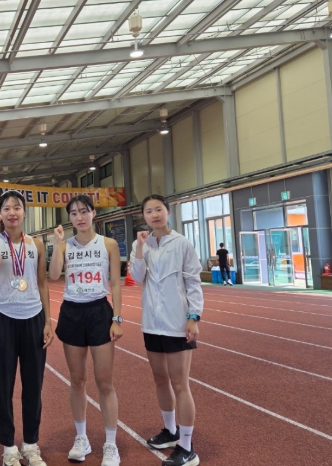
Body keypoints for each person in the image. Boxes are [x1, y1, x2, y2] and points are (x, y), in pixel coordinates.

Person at [48, 195, 123, 466]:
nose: (79, 217)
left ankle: (111, 444)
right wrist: (57, 244)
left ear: (93, 213)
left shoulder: (108, 244)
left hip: (99, 311)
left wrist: (117, 318)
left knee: (105, 382)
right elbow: (53, 275)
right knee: (77, 380)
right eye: (74, 213)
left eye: (84, 211)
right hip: (72, 312)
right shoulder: (65, 245)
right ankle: (81, 438)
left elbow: (116, 283)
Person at [129, 194, 203, 466]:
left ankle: (187, 447)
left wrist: (193, 317)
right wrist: (139, 247)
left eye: (158, 209)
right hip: (152, 323)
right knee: (160, 379)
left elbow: (193, 282)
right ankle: (171, 431)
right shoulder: (143, 245)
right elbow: (137, 277)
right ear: (144, 216)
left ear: (168, 212)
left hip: (177, 323)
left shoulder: (181, 243)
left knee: (180, 384)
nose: (154, 215)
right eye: (149, 211)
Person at [0, 190, 54, 466]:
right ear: (0, 213)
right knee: (3, 387)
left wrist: (48, 321)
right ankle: (9, 448)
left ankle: (31, 445)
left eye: (17, 207)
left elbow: (43, 283)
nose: (12, 212)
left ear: (24, 212)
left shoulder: (36, 244)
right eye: (6, 208)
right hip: (3, 317)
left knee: (33, 385)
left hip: (33, 317)